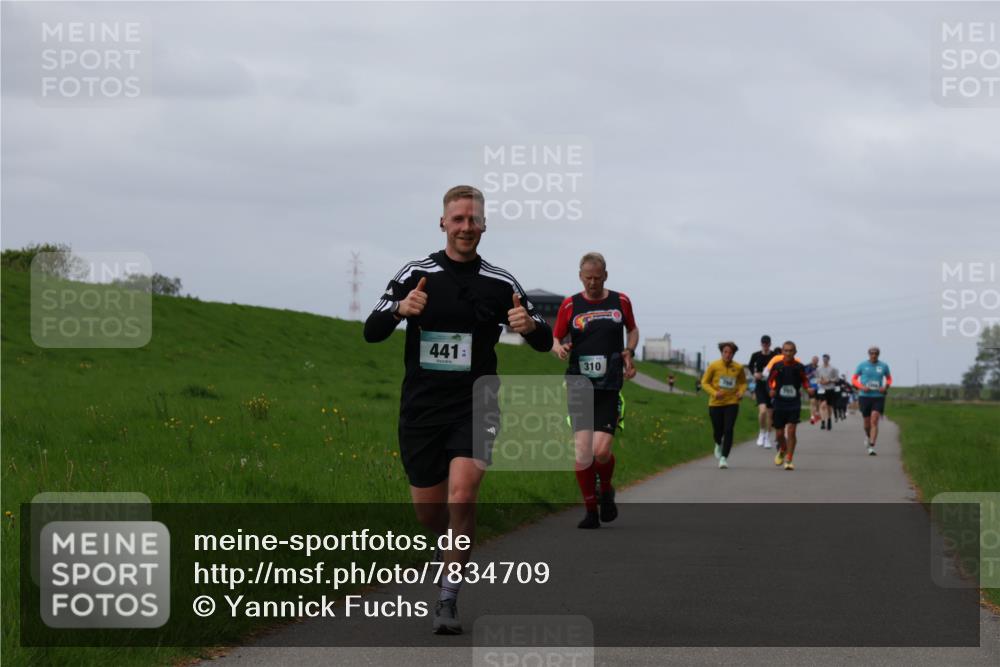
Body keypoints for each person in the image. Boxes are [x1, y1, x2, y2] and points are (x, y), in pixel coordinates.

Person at [364, 185, 552, 634]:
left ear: (484, 225)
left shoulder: (501, 282)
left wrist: (530, 326)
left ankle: (448, 598)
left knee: (463, 494)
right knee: (430, 513)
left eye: (474, 219)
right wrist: (400, 310)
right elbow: (371, 329)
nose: (467, 226)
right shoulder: (416, 272)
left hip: (477, 402)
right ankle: (446, 548)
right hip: (423, 408)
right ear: (443, 223)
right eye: (459, 219)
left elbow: (544, 339)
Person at [552, 252, 639, 529]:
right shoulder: (570, 304)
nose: (592, 283)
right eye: (588, 278)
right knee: (582, 451)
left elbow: (633, 330)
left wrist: (629, 350)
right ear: (580, 276)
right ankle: (590, 510)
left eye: (597, 278)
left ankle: (606, 489)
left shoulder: (620, 301)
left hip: (609, 384)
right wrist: (560, 347)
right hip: (579, 383)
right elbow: (556, 337)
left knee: (601, 451)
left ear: (605, 276)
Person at [768, 341, 815, 471]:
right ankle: (783, 448)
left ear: (795, 352)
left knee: (792, 431)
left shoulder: (799, 367)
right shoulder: (777, 366)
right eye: (786, 350)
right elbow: (770, 381)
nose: (788, 353)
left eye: (791, 351)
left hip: (794, 402)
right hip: (779, 402)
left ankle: (789, 459)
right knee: (779, 434)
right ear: (782, 352)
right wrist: (771, 389)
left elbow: (804, 380)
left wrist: (808, 388)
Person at [700, 342, 748, 469]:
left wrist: (741, 392)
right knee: (718, 430)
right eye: (725, 352)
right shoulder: (714, 366)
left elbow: (743, 383)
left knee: (728, 429)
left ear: (733, 354)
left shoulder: (738, 367)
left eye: (730, 352)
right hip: (715, 403)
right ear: (721, 352)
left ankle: (724, 458)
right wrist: (715, 393)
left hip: (732, 402)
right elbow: (704, 382)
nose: (727, 355)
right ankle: (717, 442)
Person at [852, 346, 892, 456]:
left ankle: (872, 445)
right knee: (867, 423)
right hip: (864, 396)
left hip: (878, 396)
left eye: (876, 354)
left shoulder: (883, 366)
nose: (874, 355)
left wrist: (886, 386)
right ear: (868, 354)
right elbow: (854, 379)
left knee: (874, 419)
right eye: (872, 353)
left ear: (878, 354)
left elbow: (889, 378)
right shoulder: (862, 365)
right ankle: (868, 436)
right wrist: (861, 387)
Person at [747, 335, 780, 449]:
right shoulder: (755, 355)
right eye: (763, 343)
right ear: (761, 344)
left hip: (771, 386)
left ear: (770, 344)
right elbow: (750, 366)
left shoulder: (774, 356)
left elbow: (779, 368)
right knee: (762, 411)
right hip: (760, 385)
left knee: (770, 414)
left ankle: (767, 437)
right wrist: (755, 374)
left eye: (767, 343)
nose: (765, 345)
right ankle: (761, 432)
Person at [815, 354, 839, 430]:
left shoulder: (833, 368)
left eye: (826, 358)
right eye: (823, 358)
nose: (824, 360)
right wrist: (820, 381)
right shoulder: (818, 369)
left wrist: (829, 380)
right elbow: (816, 379)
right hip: (822, 389)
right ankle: (822, 421)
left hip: (830, 389)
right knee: (822, 405)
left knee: (828, 406)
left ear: (829, 359)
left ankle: (829, 420)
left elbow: (837, 379)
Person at [803, 355, 820, 424]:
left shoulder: (819, 368)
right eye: (814, 360)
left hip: (819, 387)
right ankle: (812, 416)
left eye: (816, 360)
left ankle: (817, 413)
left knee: (818, 402)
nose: (815, 361)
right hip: (810, 387)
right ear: (812, 360)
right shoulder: (807, 367)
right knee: (812, 401)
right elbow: (805, 376)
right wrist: (812, 374)